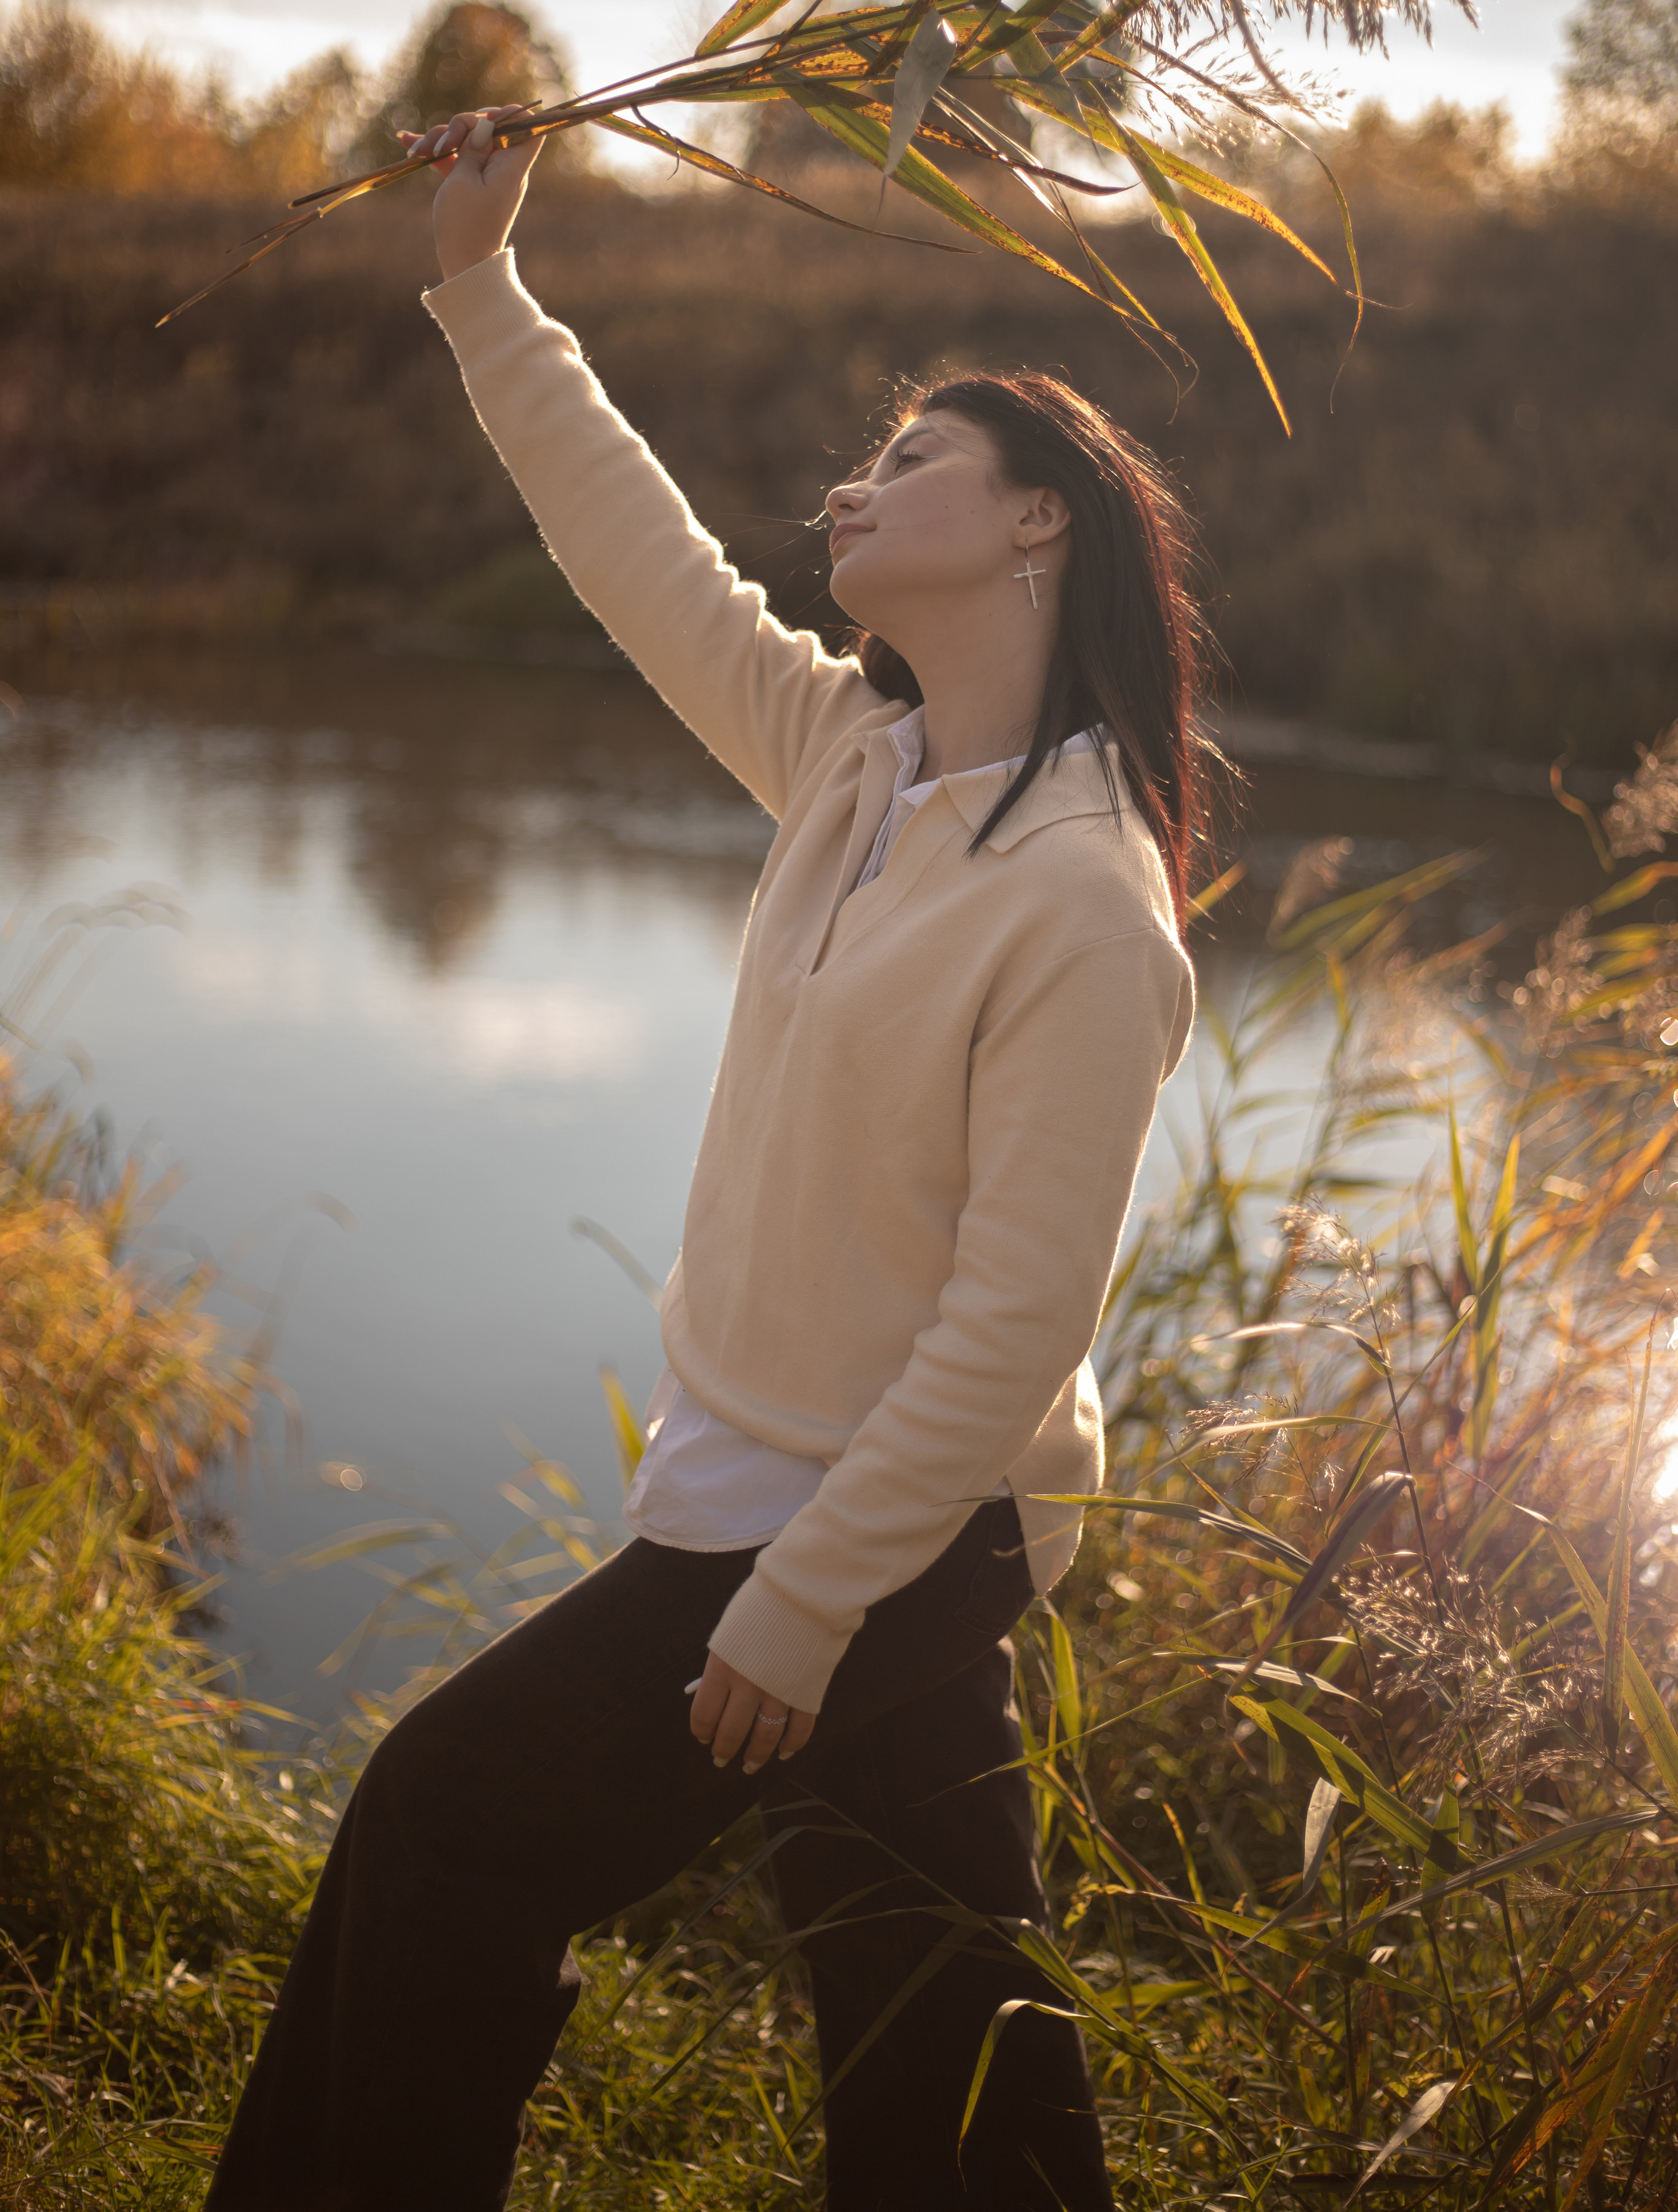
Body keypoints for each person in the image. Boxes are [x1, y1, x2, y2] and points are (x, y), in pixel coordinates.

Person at [205, 106, 1201, 2212]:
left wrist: (802, 1603)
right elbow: (636, 549)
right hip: (787, 1475)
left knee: (449, 1816)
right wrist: (485, 292)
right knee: (942, 2002)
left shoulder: (1090, 906)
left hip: (890, 1514)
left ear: (1043, 525)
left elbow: (1018, 1324)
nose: (858, 483)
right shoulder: (861, 763)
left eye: (914, 460)